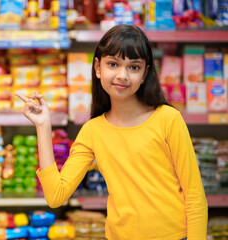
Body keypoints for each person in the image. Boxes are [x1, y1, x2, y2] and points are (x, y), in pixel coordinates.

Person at [15, 24, 207, 240]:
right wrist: (43, 126)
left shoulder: (168, 118)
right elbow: (56, 196)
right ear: (98, 68)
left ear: (145, 73)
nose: (122, 75)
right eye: (113, 64)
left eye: (134, 67)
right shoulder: (93, 131)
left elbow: (194, 196)